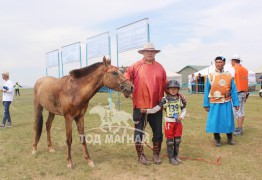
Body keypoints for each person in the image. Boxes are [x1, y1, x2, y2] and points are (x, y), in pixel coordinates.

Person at [124, 42, 167, 165]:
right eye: (147, 51)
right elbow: (126, 79)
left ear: (155, 53)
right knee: (139, 131)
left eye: (152, 51)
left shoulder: (160, 68)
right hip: (139, 106)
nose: (149, 53)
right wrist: (126, 91)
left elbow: (166, 85)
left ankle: (156, 154)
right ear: (143, 53)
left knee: (158, 132)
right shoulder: (135, 66)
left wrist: (178, 96)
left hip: (157, 105)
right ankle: (140, 155)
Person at [141, 80, 186, 165]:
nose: (173, 90)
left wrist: (182, 116)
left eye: (175, 89)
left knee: (177, 140)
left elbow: (184, 109)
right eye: (171, 89)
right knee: (170, 141)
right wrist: (147, 111)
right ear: (168, 90)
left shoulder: (181, 99)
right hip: (169, 122)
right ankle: (171, 157)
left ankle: (176, 156)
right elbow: (157, 108)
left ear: (178, 89)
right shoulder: (164, 100)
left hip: (178, 123)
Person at [203, 56, 239, 147]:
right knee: (215, 121)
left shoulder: (229, 75)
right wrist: (206, 104)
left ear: (224, 63)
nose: (218, 64)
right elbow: (207, 90)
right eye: (217, 62)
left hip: (226, 101)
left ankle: (230, 138)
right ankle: (217, 139)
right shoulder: (210, 76)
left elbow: (233, 90)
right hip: (214, 102)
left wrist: (236, 103)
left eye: (220, 62)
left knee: (228, 120)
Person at [231, 54, 248, 136]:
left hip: (237, 92)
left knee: (237, 111)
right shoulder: (245, 70)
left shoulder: (234, 69)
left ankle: (239, 129)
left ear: (233, 61)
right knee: (241, 111)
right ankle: (240, 127)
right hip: (244, 92)